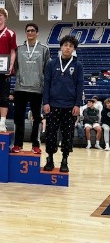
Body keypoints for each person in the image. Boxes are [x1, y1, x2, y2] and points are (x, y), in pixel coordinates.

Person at [43, 35, 83, 173]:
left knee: (68, 134)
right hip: (53, 105)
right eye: (65, 45)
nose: (67, 48)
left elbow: (80, 86)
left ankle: (65, 159)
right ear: (61, 47)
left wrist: (78, 105)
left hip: (70, 107)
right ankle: (50, 158)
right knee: (51, 133)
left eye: (71, 46)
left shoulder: (77, 65)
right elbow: (46, 84)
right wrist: (46, 102)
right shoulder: (51, 64)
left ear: (73, 49)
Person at [11, 23, 50, 154]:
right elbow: (15, 67)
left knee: (37, 118)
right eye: (28, 31)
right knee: (19, 118)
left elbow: (47, 69)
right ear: (26, 33)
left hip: (36, 89)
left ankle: (35, 144)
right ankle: (18, 144)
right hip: (20, 88)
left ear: (37, 32)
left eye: (33, 30)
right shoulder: (19, 48)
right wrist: (21, 77)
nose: (30, 33)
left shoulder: (44, 49)